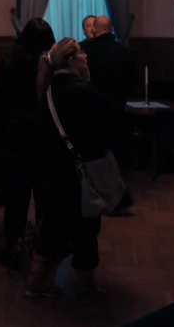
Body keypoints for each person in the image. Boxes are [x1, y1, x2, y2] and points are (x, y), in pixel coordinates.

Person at [27, 38, 115, 303]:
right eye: (81, 52)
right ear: (71, 60)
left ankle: (36, 281)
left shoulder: (48, 90)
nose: (86, 55)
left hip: (54, 173)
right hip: (81, 173)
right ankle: (86, 286)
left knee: (53, 226)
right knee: (87, 229)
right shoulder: (84, 90)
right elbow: (109, 123)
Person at [0, 18, 56, 268]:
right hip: (44, 136)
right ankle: (43, 249)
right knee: (45, 198)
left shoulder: (8, 63)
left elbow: (1, 95)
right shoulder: (50, 66)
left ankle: (12, 246)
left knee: (15, 199)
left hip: (14, 135)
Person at [85, 16, 136, 213]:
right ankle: (117, 196)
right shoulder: (126, 53)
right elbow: (133, 84)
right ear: (112, 29)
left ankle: (98, 197)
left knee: (96, 160)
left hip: (93, 116)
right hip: (118, 113)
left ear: (95, 30)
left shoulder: (87, 53)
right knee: (117, 158)